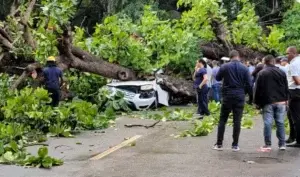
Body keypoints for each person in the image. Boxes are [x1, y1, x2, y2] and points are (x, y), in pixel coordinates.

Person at [213, 50, 252, 151]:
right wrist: (248, 96)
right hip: (239, 95)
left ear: (230, 57)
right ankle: (235, 145)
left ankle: (219, 144)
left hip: (227, 95)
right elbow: (249, 84)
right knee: (237, 121)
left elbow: (217, 78)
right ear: (238, 56)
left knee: (223, 120)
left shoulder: (225, 66)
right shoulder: (244, 68)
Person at [254, 55, 288, 151]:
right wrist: (287, 100)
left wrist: (256, 102)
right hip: (281, 101)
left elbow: (257, 89)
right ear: (273, 62)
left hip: (268, 101)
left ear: (265, 62)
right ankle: (282, 144)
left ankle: (268, 144)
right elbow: (286, 87)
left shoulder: (262, 73)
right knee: (280, 122)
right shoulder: (281, 72)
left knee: (268, 123)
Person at [286, 47, 300, 147]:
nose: (287, 56)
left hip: (295, 91)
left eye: (287, 54)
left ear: (293, 53)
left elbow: (297, 81)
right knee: (290, 114)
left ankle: (298, 140)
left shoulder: (293, 64)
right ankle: (292, 136)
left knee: (295, 117)